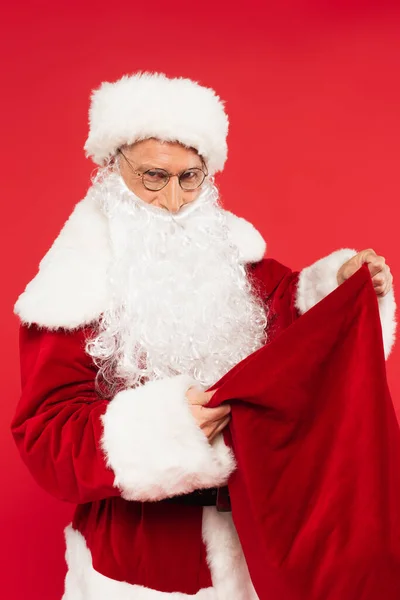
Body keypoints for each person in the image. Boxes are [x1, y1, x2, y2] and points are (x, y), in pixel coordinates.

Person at [11, 72, 396, 599]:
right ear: (110, 169)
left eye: (189, 178)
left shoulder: (239, 262)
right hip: (143, 563)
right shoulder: (68, 291)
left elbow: (296, 338)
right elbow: (46, 437)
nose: (173, 199)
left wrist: (341, 291)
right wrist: (167, 429)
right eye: (152, 177)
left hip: (258, 549)